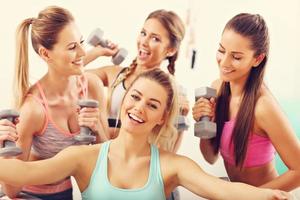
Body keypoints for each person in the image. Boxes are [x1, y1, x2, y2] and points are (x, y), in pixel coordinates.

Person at [0, 69, 292, 200]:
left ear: (162, 117)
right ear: (126, 97)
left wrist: (269, 195)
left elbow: (222, 189)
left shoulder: (171, 166)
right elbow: (23, 173)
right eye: (136, 97)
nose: (139, 108)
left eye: (152, 105)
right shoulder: (83, 157)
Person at [1, 5, 110, 199]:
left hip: (65, 192)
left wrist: (97, 128)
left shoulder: (91, 86)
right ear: (45, 54)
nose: (83, 53)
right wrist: (4, 150)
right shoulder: (33, 110)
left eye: (81, 42)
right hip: (29, 194)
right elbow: (12, 191)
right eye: (72, 47)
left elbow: (108, 157)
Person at [192, 13, 300, 191]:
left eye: (236, 57)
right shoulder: (217, 88)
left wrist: (252, 196)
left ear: (257, 59)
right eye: (221, 50)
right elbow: (210, 157)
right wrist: (206, 123)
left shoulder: (263, 107)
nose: (224, 62)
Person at [85, 9, 189, 150]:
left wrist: (181, 119)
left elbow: (169, 150)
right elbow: (70, 76)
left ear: (170, 50)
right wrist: (97, 52)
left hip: (134, 164)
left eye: (155, 39)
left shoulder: (171, 91)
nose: (144, 42)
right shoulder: (115, 74)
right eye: (143, 33)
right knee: (91, 80)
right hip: (101, 153)